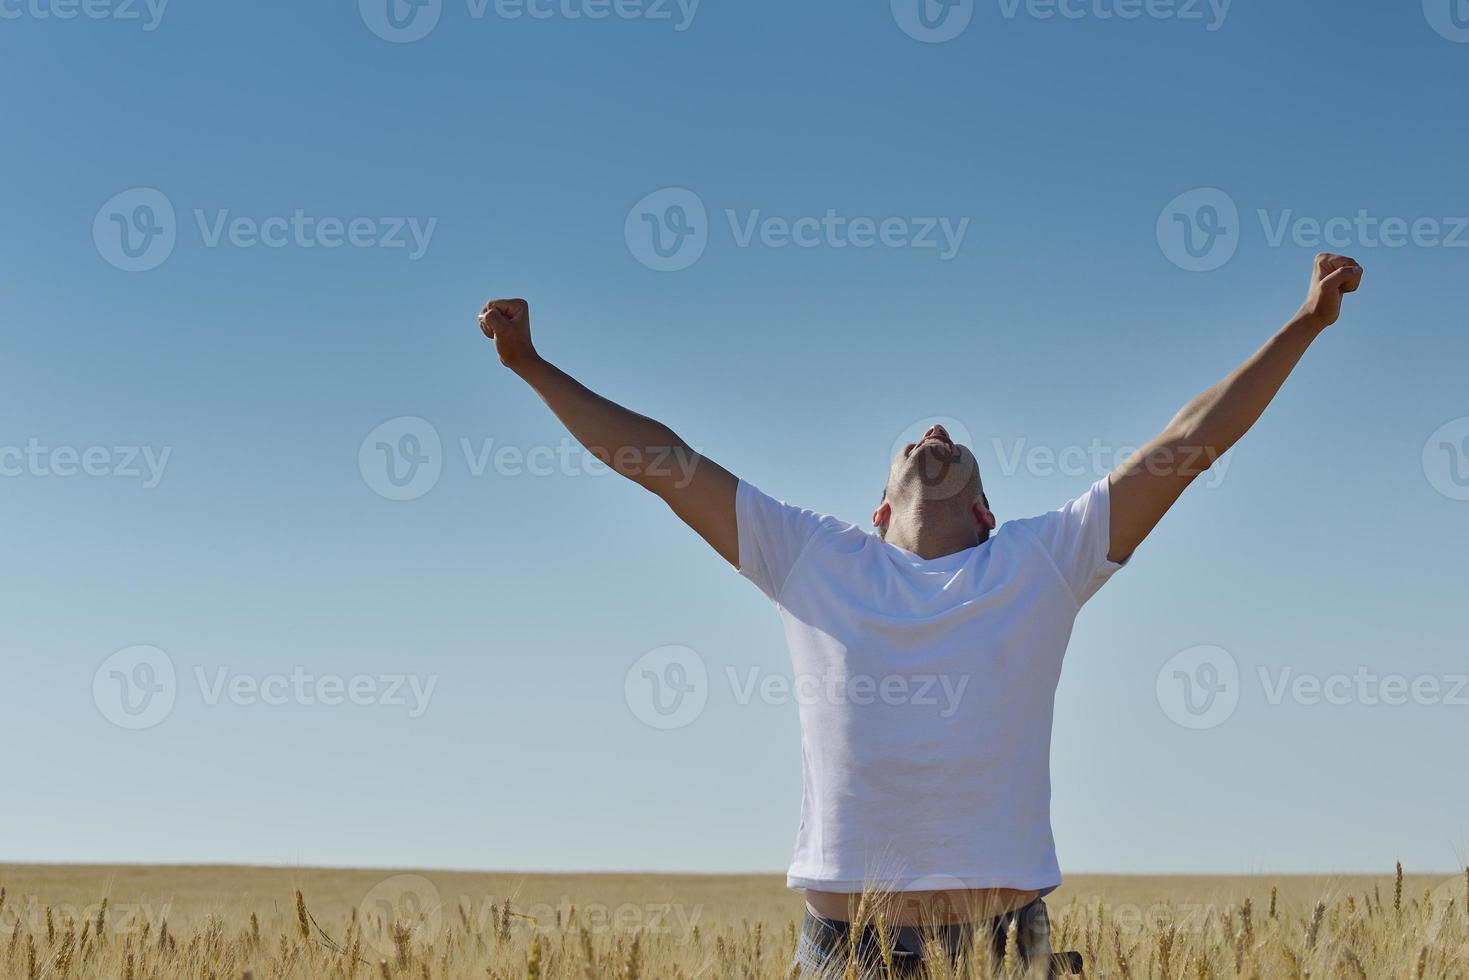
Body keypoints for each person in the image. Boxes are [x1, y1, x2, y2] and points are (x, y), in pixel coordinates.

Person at [477, 253, 1365, 977]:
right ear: (876, 510)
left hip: (1001, 951)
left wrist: (1306, 322)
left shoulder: (1040, 561)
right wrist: (529, 365)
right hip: (843, 953)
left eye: (953, 444)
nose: (934, 432)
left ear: (986, 511)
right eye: (919, 440)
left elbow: (1186, 446)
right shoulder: (815, 558)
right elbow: (660, 461)